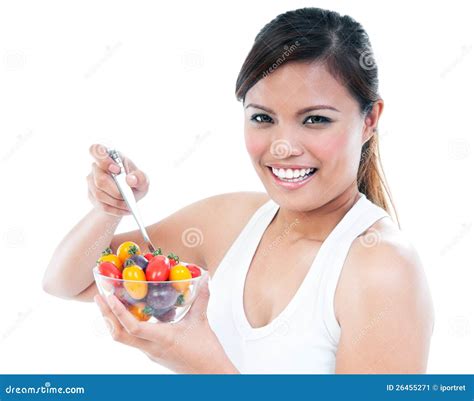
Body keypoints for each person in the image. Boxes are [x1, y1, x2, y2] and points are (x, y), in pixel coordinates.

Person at [43, 7, 434, 374]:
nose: (282, 147)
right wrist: (109, 210)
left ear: (370, 121)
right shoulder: (230, 221)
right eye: (263, 118)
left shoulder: (384, 269)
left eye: (315, 119)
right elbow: (67, 282)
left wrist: (207, 372)